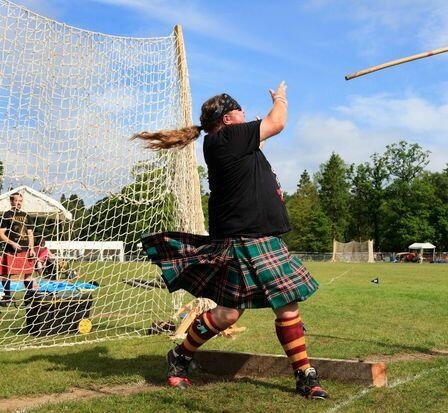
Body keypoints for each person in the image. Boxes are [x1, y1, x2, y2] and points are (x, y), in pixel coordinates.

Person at [133, 82, 328, 399]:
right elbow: (277, 122)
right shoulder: (227, 138)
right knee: (241, 312)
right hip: (244, 239)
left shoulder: (229, 141)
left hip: (258, 237)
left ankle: (305, 375)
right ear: (227, 118)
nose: (245, 114)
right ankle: (180, 356)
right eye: (240, 110)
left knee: (264, 310)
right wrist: (280, 99)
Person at [0, 192, 37, 305]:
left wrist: (32, 248)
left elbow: (30, 233)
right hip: (11, 249)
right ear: (11, 201)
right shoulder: (6, 215)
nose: (18, 203)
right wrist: (12, 243)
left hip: (26, 248)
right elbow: (1, 233)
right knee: (6, 273)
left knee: (28, 273)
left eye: (20, 201)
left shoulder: (26, 216)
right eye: (16, 201)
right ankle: (7, 296)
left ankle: (30, 296)